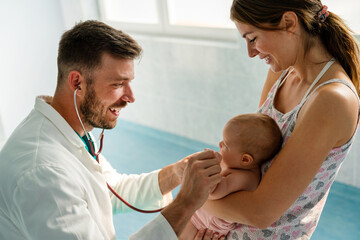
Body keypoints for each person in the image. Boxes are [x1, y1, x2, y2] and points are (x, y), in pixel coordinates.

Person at [0, 20, 223, 240]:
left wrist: (175, 173)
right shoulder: (43, 173)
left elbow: (111, 190)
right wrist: (186, 204)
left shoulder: (69, 131)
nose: (130, 97)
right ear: (77, 82)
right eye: (118, 84)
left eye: (129, 83)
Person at [201, 1, 360, 239]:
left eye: (252, 38)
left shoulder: (331, 99)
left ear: (289, 23)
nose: (250, 52)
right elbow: (253, 150)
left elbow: (260, 213)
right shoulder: (282, 71)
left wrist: (192, 198)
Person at [180, 113, 283, 240]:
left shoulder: (245, 178)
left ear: (245, 159)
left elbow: (215, 192)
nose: (220, 144)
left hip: (203, 225)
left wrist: (204, 173)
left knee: (177, 233)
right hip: (201, 216)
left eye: (225, 145)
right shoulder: (235, 165)